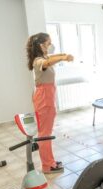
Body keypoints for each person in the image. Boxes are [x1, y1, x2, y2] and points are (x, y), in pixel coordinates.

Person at [26, 33, 74, 173]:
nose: (50, 45)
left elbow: (50, 58)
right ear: (41, 45)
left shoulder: (43, 57)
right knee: (45, 134)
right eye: (48, 43)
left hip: (46, 97)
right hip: (44, 99)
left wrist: (62, 55)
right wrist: (63, 58)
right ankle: (47, 165)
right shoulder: (38, 61)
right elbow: (46, 63)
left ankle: (50, 161)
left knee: (46, 132)